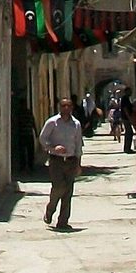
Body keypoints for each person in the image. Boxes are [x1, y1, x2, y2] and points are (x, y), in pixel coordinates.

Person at [39, 94, 84, 231]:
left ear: (72, 108)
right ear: (59, 107)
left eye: (68, 106)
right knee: (58, 187)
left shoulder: (76, 124)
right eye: (63, 106)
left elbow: (78, 145)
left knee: (68, 191)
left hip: (71, 160)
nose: (66, 108)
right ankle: (50, 209)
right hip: (56, 161)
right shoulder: (52, 122)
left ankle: (63, 221)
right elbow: (42, 138)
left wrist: (78, 163)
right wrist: (53, 148)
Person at [119, 87, 135, 153]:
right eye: (130, 91)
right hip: (126, 118)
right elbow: (125, 109)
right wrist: (129, 118)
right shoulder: (125, 99)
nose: (131, 92)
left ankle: (127, 148)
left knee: (129, 132)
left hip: (126, 118)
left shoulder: (127, 99)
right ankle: (127, 148)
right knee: (129, 132)